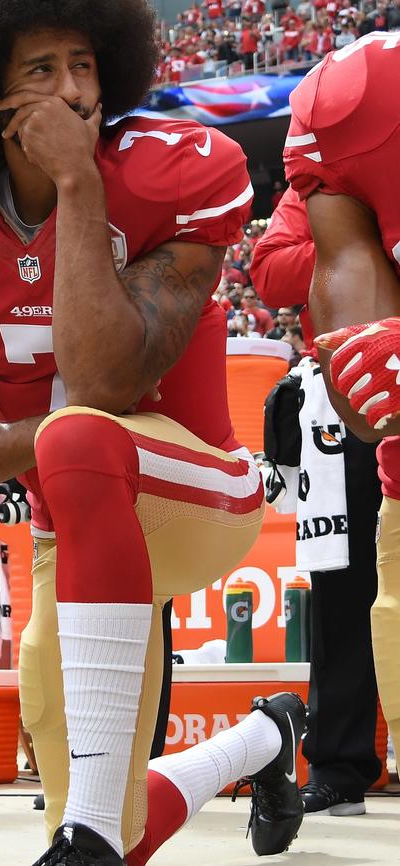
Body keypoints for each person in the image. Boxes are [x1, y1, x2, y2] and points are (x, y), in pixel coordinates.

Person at [0, 2, 305, 863]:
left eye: (84, 64)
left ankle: (90, 829)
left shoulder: (170, 172)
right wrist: (48, 445)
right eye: (40, 70)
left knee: (79, 436)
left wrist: (79, 184)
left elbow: (109, 383)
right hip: (64, 524)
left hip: (197, 491)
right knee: (105, 815)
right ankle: (262, 742)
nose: (74, 92)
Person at [283, 30, 400, 767]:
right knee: (357, 592)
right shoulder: (353, 102)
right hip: (375, 452)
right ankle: (336, 756)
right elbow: (366, 407)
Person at [251, 184, 383, 815]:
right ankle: (340, 764)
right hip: (351, 390)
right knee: (343, 588)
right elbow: (271, 271)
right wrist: (358, 244)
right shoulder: (324, 180)